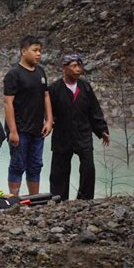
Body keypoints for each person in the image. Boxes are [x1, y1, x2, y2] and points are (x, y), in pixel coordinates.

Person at [49, 54, 110, 201]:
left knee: (88, 168)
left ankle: (84, 199)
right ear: (64, 68)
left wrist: (102, 130)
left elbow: (94, 110)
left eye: (79, 66)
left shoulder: (85, 87)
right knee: (59, 170)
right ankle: (59, 199)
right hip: (62, 136)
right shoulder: (54, 89)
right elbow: (47, 111)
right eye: (74, 66)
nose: (78, 69)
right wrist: (47, 123)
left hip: (83, 134)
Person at [3, 35, 53, 196]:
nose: (39, 54)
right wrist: (12, 131)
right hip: (19, 128)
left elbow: (46, 96)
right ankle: (14, 198)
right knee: (18, 164)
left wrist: (49, 120)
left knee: (36, 164)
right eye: (35, 50)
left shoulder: (40, 71)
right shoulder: (14, 74)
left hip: (37, 128)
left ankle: (34, 199)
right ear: (23, 51)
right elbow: (7, 103)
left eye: (40, 51)